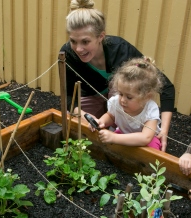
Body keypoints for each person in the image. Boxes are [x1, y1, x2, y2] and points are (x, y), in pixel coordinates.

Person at [60, 0, 176, 151]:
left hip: (120, 93)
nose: (78, 48)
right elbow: (69, 98)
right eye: (73, 41)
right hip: (93, 95)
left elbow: (167, 87)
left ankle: (120, 130)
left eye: (85, 41)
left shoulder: (121, 49)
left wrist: (164, 131)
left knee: (123, 98)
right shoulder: (67, 54)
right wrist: (87, 117)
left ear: (101, 36)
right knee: (80, 128)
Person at [88, 57, 164, 150]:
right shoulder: (116, 102)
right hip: (123, 134)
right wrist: (101, 121)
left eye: (129, 97)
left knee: (153, 150)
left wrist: (114, 137)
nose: (123, 100)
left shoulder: (150, 109)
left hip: (146, 141)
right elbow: (111, 116)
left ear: (147, 97)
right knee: (109, 146)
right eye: (121, 94)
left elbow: (146, 138)